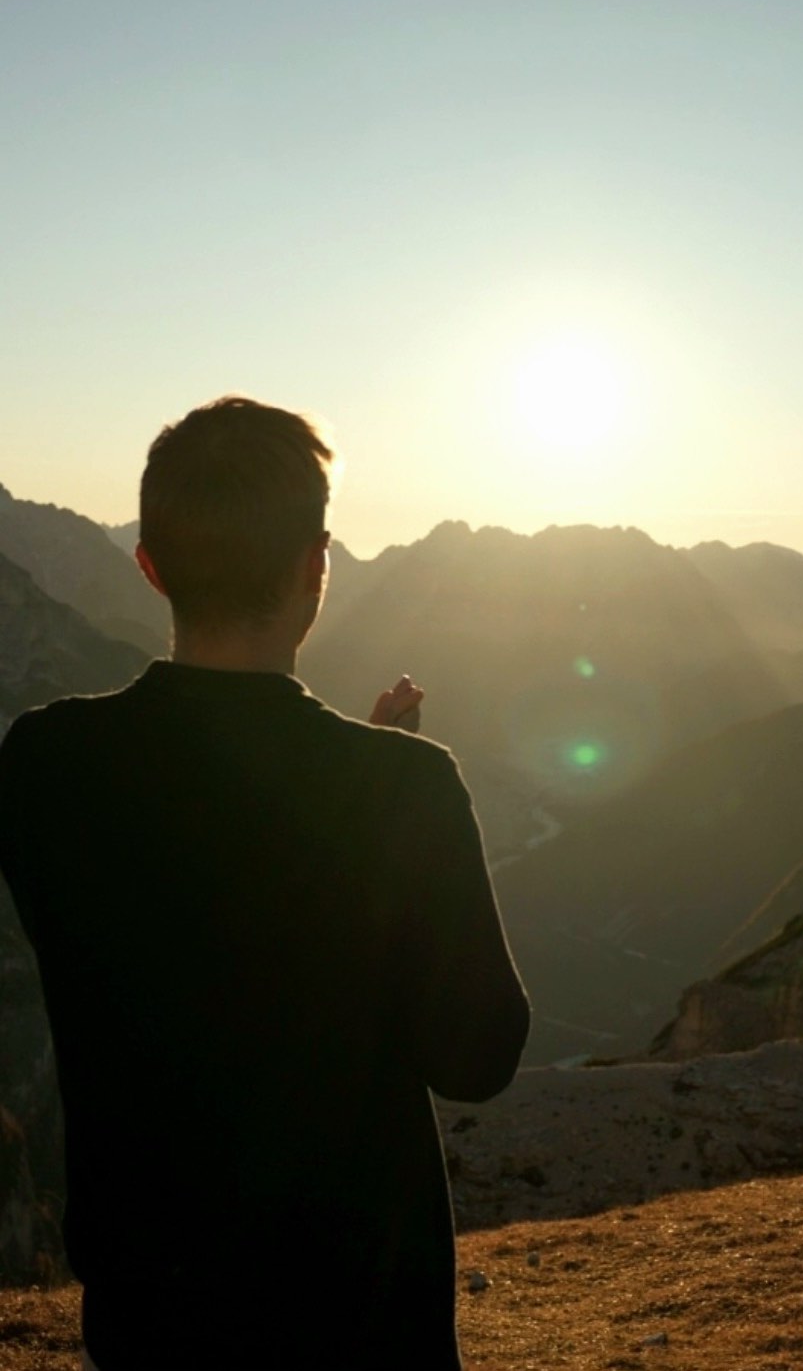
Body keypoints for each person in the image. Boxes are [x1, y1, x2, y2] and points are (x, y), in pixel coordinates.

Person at [0, 396, 530, 1371]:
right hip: (365, 1322)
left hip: (153, 1317)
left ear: (148, 565)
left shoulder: (40, 767)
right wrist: (389, 799)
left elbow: (192, 891)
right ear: (315, 565)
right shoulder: (403, 790)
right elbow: (476, 1057)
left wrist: (365, 785)